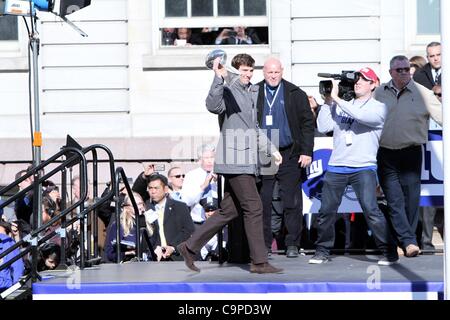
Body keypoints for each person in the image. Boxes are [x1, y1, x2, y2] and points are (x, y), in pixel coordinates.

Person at [177, 53, 283, 274]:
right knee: (254, 208)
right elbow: (212, 105)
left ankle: (189, 247)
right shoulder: (229, 89)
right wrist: (219, 77)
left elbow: (253, 127)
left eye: (250, 70)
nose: (248, 74)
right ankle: (259, 262)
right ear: (235, 70)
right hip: (235, 160)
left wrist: (271, 149)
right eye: (243, 70)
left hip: (247, 161)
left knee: (228, 211)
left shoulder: (250, 92)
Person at [308, 67, 398, 265]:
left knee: (371, 210)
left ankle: (389, 251)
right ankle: (322, 250)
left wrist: (337, 100)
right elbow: (323, 127)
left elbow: (362, 116)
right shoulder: (343, 104)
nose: (357, 82)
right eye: (356, 79)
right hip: (337, 166)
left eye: (364, 79)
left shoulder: (378, 107)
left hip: (363, 167)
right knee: (326, 211)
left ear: (373, 84)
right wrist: (327, 101)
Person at [374, 55, 442, 257]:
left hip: (411, 151)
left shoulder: (423, 93)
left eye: (406, 69)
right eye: (399, 70)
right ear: (390, 73)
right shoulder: (379, 93)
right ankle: (409, 242)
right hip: (385, 152)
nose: (403, 73)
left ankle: (405, 240)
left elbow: (442, 115)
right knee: (394, 200)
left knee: (411, 200)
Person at [256, 57, 315, 257]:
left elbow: (308, 123)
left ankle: (292, 244)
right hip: (263, 154)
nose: (273, 76)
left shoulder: (295, 93)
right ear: (263, 72)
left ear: (282, 71)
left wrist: (307, 151)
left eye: (276, 72)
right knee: (263, 202)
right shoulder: (254, 92)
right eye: (269, 72)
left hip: (289, 153)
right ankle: (264, 244)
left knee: (292, 201)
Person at [181, 144, 220, 260]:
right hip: (199, 224)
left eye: (211, 157)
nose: (209, 161)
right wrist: (203, 186)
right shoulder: (191, 176)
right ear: (199, 160)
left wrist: (219, 183)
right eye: (206, 158)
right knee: (199, 258)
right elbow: (186, 201)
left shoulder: (222, 174)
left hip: (218, 224)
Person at [144, 174, 194, 262]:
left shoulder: (180, 207)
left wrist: (173, 247)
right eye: (150, 188)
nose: (153, 191)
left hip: (176, 257)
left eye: (156, 188)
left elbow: (188, 230)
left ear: (166, 189)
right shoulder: (145, 207)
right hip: (155, 257)